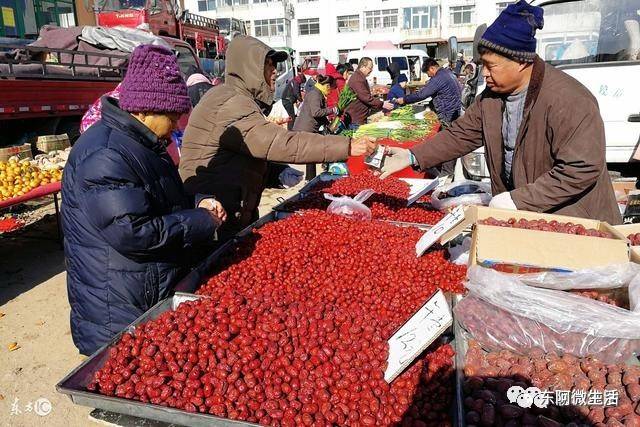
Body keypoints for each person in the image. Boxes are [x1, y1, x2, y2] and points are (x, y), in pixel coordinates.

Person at [377, 0, 621, 224]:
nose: (484, 74)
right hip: (529, 218)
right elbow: (460, 134)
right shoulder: (491, 99)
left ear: (522, 61)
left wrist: (519, 200)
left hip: (575, 221)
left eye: (491, 66)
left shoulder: (568, 100)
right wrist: (413, 156)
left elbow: (581, 168)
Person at [61, 45, 227, 356]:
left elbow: (162, 195)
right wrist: (202, 222)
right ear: (145, 109)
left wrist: (199, 202)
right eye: (173, 116)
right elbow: (134, 232)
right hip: (116, 308)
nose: (177, 125)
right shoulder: (106, 153)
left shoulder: (141, 143)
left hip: (141, 288)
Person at [179, 36, 376, 241]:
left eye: (275, 65)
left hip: (233, 210)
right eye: (268, 65)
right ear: (249, 68)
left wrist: (275, 173)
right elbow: (278, 143)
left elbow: (243, 154)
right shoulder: (229, 102)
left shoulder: (238, 99)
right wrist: (347, 146)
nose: (274, 71)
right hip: (213, 216)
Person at [293, 74, 337, 180]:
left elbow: (319, 114)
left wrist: (328, 124)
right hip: (305, 128)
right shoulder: (315, 94)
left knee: (311, 155)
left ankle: (310, 178)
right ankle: (310, 179)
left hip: (309, 128)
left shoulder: (318, 93)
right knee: (311, 155)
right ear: (327, 86)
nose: (330, 91)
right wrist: (332, 110)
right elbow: (316, 112)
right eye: (330, 88)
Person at [344, 57, 394, 129]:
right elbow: (366, 98)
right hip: (356, 119)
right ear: (363, 66)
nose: (371, 70)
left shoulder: (359, 77)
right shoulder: (357, 79)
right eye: (370, 68)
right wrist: (382, 104)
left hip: (359, 117)